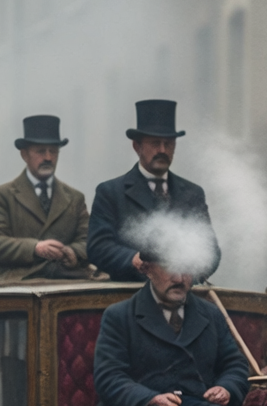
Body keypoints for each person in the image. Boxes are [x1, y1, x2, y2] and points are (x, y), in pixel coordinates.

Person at [74, 251, 251, 406]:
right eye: (171, 268)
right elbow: (109, 377)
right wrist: (149, 398)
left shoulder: (210, 315)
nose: (180, 278)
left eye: (187, 268)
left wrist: (227, 387)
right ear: (147, 268)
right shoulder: (119, 316)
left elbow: (235, 365)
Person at [87, 100, 213, 282]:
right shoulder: (110, 192)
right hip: (129, 298)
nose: (162, 150)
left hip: (182, 297)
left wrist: (187, 277)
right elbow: (98, 247)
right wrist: (132, 259)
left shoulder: (192, 194)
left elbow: (210, 250)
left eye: (168, 143)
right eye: (155, 143)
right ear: (137, 147)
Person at [0, 114, 91, 283]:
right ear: (24, 155)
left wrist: (72, 252)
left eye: (53, 151)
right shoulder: (2, 196)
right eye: (41, 151)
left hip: (66, 280)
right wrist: (35, 248)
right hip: (14, 283)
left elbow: (89, 240)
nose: (48, 157)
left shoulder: (75, 198)